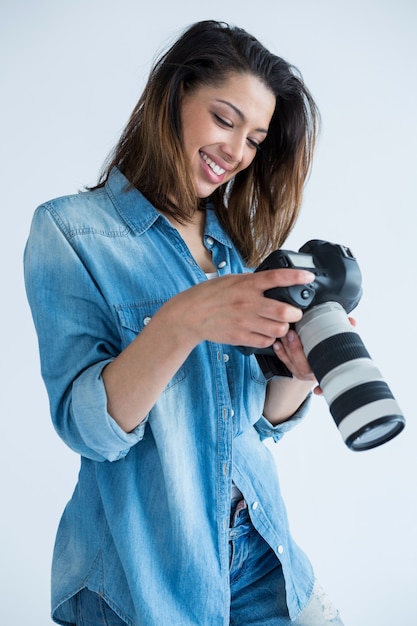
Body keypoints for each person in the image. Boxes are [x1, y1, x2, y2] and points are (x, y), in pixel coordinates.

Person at [24, 20, 344, 626]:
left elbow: (255, 425)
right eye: (224, 120)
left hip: (261, 556)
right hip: (143, 575)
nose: (238, 152)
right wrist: (183, 319)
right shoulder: (70, 231)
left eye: (255, 138)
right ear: (173, 99)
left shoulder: (232, 248)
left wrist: (296, 371)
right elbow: (88, 428)